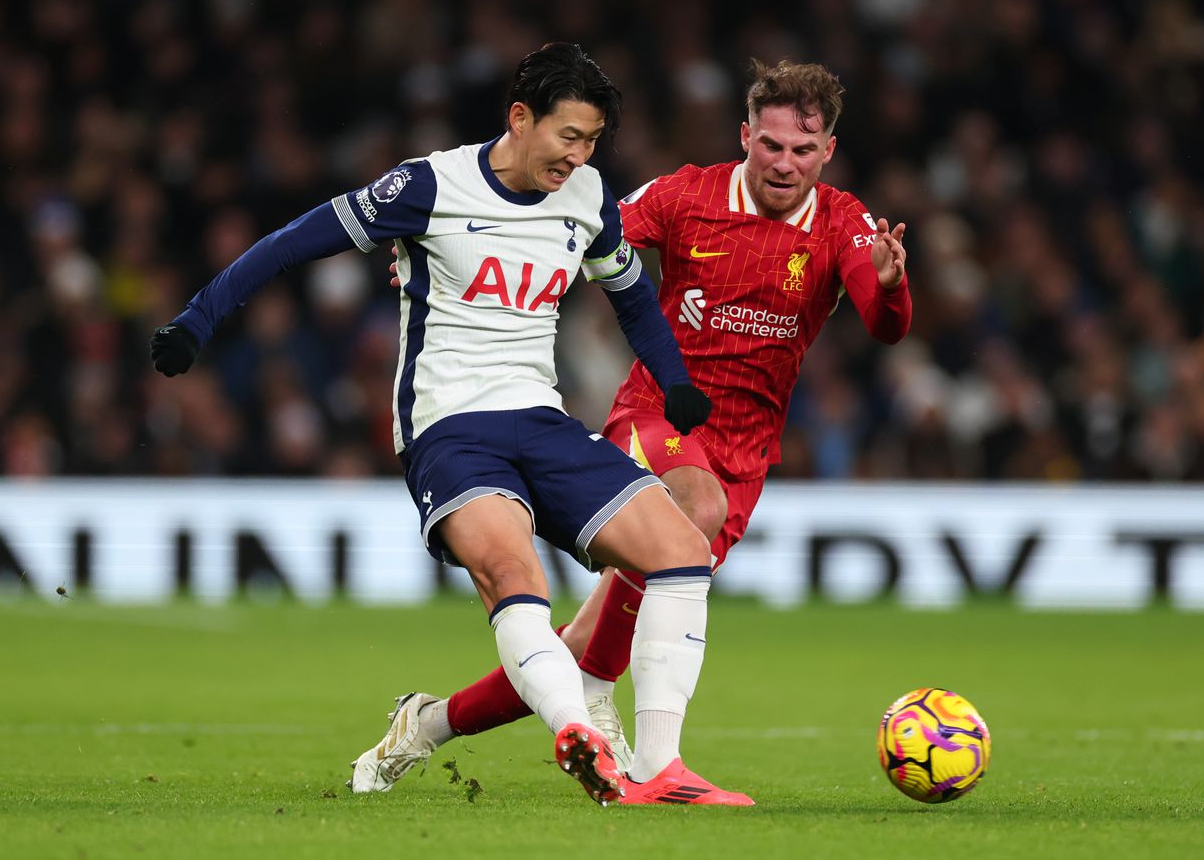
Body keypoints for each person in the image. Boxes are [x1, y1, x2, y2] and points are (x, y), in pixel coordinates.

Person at [149, 43, 742, 808]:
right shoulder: (429, 185)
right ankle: (580, 737)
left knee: (681, 551)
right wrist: (200, 318)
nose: (580, 155)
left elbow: (629, 295)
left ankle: (662, 770)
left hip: (542, 418)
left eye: (592, 140)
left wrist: (676, 383)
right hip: (451, 426)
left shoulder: (588, 196)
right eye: (569, 135)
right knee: (514, 576)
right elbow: (292, 241)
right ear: (520, 118)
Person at [359, 59, 913, 806]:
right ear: (745, 136)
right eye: (772, 145)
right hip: (657, 420)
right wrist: (445, 263)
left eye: (803, 151)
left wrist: (889, 281)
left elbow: (883, 325)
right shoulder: (686, 194)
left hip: (747, 450)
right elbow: (573, 229)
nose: (786, 164)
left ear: (828, 153)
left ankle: (426, 725)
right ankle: (661, 762)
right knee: (697, 512)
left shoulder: (845, 220)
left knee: (585, 655)